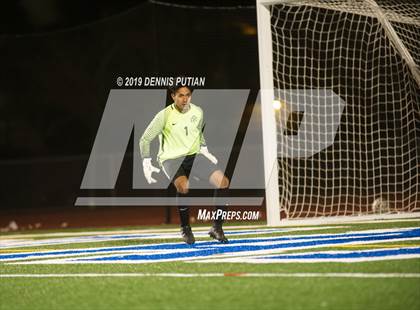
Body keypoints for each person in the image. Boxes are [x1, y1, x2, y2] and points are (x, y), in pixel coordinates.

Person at [139, 84, 229, 244]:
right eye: (180, 95)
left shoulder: (197, 111)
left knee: (223, 182)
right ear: (173, 96)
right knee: (183, 186)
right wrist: (146, 160)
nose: (184, 98)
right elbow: (145, 139)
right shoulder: (164, 115)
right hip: (170, 159)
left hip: (193, 156)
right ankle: (185, 227)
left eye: (187, 94)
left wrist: (205, 149)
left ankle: (217, 227)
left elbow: (198, 133)